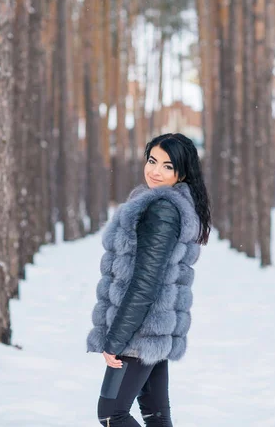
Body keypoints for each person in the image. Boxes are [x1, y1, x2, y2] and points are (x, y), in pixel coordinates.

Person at [87, 133, 211, 427]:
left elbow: (145, 283)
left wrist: (115, 339)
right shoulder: (159, 204)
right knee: (156, 417)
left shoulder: (162, 210)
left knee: (110, 415)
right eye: (152, 161)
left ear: (182, 172)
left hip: (138, 333)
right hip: (151, 331)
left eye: (167, 166)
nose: (155, 171)